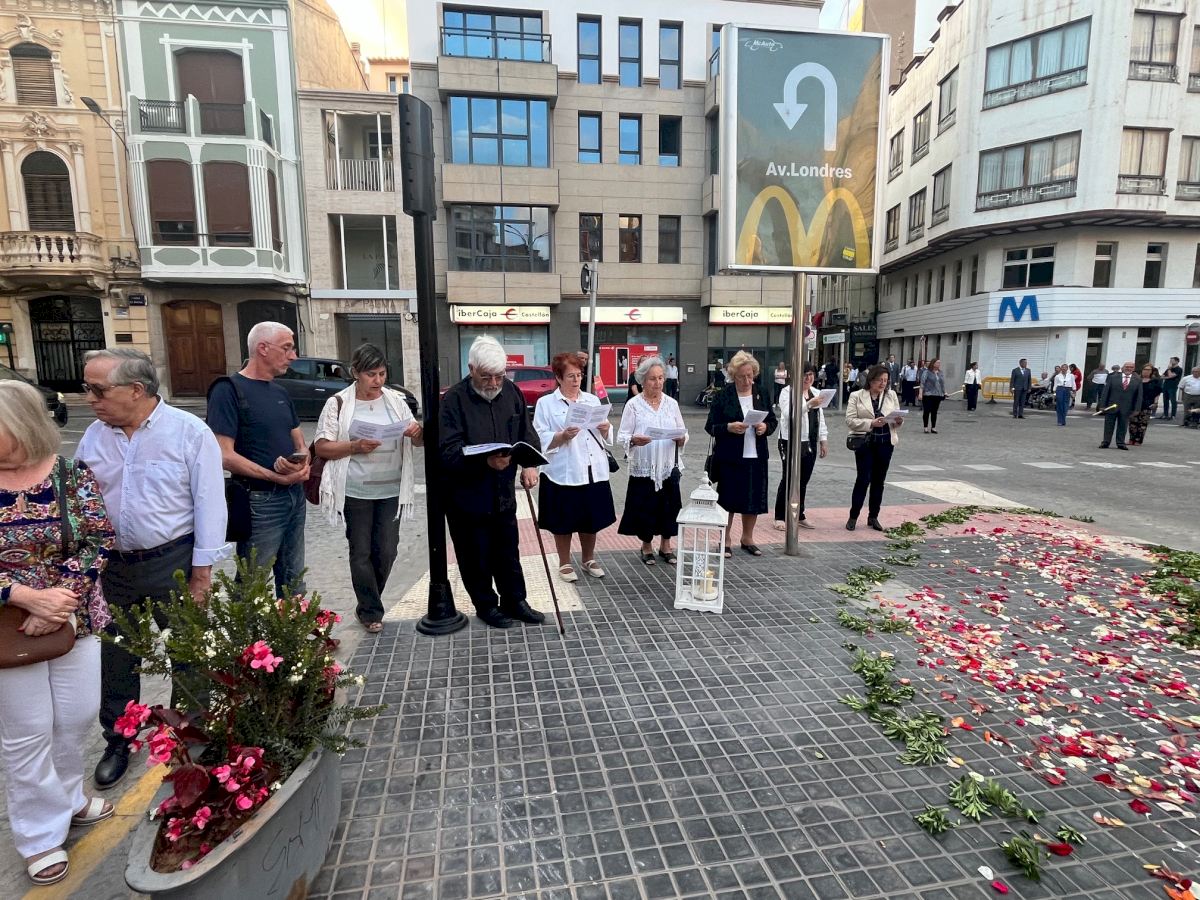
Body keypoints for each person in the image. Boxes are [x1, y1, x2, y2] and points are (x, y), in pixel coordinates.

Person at [77, 348, 229, 790]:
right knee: (117, 657)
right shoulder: (94, 436)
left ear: (136, 390)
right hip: (114, 568)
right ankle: (119, 739)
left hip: (173, 562)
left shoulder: (188, 432)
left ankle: (190, 740)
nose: (90, 399)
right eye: (88, 388)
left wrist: (202, 573)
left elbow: (209, 503)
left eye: (98, 390)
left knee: (188, 654)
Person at [0, 381, 115, 886]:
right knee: (27, 732)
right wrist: (24, 597)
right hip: (8, 627)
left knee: (75, 717)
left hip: (74, 617)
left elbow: (98, 539)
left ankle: (68, 797)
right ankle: (39, 834)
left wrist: (60, 599)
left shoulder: (71, 473)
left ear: (22, 424)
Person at [313, 343, 422, 634]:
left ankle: (368, 601)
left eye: (382, 374)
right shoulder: (338, 403)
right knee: (361, 551)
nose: (378, 380)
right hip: (355, 490)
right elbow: (322, 446)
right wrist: (354, 446)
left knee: (386, 550)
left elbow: (419, 440)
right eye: (371, 374)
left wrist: (417, 432)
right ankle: (371, 610)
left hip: (391, 490)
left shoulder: (395, 400)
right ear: (355, 373)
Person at [440, 336, 543, 628]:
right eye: (486, 377)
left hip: (502, 491)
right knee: (475, 555)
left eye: (500, 375)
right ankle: (485, 605)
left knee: (508, 550)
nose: (494, 383)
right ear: (471, 369)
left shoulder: (511, 391)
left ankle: (515, 600)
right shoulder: (454, 400)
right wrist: (484, 462)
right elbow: (447, 451)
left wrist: (530, 464)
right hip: (467, 495)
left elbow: (525, 431)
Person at [207, 322, 310, 597]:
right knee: (252, 584)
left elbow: (300, 441)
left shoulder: (280, 392)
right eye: (287, 348)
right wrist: (274, 476)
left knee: (294, 579)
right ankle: (250, 628)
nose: (293, 356)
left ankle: (294, 624)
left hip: (294, 496)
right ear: (263, 348)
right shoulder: (227, 390)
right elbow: (223, 454)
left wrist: (301, 464)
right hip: (259, 500)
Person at [533, 351, 616, 581]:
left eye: (579, 375)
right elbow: (538, 436)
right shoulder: (546, 403)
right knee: (563, 520)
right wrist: (561, 436)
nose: (576, 380)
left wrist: (606, 428)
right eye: (571, 376)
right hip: (563, 471)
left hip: (591, 468)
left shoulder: (591, 400)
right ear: (558, 377)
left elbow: (606, 436)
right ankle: (564, 562)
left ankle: (588, 558)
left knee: (591, 518)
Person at [705, 351, 778, 557]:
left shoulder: (761, 392)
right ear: (733, 376)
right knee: (728, 499)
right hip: (730, 456)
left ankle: (747, 538)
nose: (747, 381)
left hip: (756, 454)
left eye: (750, 375)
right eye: (742, 376)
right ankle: (725, 539)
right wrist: (729, 427)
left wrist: (765, 427)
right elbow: (710, 426)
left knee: (753, 498)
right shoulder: (723, 396)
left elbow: (772, 420)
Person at [618, 357, 688, 565]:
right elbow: (622, 435)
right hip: (644, 465)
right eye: (652, 379)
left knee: (669, 506)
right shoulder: (633, 405)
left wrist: (681, 438)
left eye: (660, 378)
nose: (657, 383)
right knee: (645, 506)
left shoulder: (671, 404)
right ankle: (646, 545)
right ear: (642, 381)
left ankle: (666, 545)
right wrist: (633, 440)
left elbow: (683, 431)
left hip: (667, 465)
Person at [845, 365, 903, 531]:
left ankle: (873, 516)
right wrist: (871, 423)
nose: (883, 384)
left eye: (885, 380)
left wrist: (898, 421)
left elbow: (897, 418)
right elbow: (850, 420)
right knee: (863, 479)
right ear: (871, 380)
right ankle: (853, 516)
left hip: (885, 443)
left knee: (879, 481)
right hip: (865, 443)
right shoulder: (857, 396)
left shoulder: (891, 395)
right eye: (879, 380)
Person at [773, 364, 827, 532]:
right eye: (804, 375)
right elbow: (788, 414)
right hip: (790, 440)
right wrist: (808, 404)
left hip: (809, 440)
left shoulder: (816, 392)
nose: (808, 378)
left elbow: (820, 418)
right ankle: (780, 515)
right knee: (789, 478)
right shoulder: (787, 392)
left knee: (803, 480)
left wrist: (823, 439)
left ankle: (799, 513)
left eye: (810, 374)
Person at [1098, 361, 1143, 450]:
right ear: (1123, 368)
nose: (1128, 368)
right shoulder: (1112, 378)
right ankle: (1106, 442)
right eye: (1127, 367)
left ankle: (1120, 443)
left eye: (1131, 367)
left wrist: (1137, 409)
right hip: (1111, 406)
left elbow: (1139, 396)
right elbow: (1106, 392)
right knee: (1108, 425)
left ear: (1133, 369)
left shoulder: (1137, 380)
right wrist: (1102, 405)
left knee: (1123, 426)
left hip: (1127, 407)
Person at [1128, 364, 1162, 446]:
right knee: (1132, 423)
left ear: (1151, 371)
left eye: (1148, 370)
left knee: (1142, 423)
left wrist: (1155, 403)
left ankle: (1138, 440)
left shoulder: (1155, 381)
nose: (1146, 371)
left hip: (1147, 404)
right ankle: (1131, 439)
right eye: (1144, 369)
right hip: (1135, 404)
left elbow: (1157, 393)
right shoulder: (1136, 380)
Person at [918, 358, 946, 434]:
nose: (939, 364)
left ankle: (933, 427)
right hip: (928, 394)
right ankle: (925, 427)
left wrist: (944, 392)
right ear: (933, 363)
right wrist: (920, 393)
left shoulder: (940, 372)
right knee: (927, 411)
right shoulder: (927, 372)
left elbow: (942, 384)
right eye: (937, 363)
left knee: (934, 411)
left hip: (937, 395)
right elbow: (922, 383)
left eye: (939, 363)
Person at [1053, 362, 1075, 426]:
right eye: (1062, 367)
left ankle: (1063, 420)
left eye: (1065, 367)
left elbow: (1073, 383)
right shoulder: (1057, 376)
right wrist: (1054, 393)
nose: (1064, 369)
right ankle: (1060, 421)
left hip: (1068, 389)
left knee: (1065, 405)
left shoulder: (1071, 375)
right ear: (1061, 368)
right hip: (1060, 389)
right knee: (1059, 404)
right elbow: (1055, 385)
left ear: (1067, 369)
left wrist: (1074, 391)